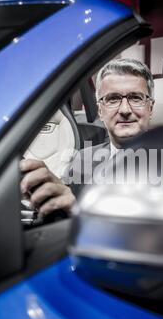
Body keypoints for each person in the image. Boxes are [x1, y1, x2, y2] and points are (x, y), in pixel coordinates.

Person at [20, 58, 155, 216]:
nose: (125, 109)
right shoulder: (83, 160)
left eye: (135, 98)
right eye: (112, 99)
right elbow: (62, 209)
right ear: (100, 112)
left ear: (150, 108)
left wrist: (78, 211)